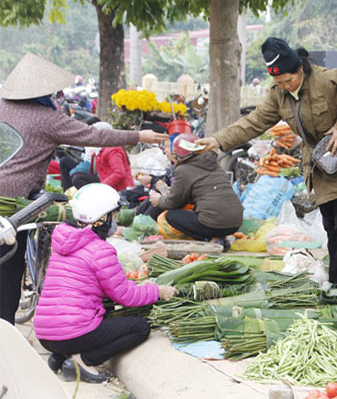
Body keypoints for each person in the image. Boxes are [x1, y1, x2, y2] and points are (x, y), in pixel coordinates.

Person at [0, 52, 167, 324]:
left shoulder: (1, 106)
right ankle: (4, 332)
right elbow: (96, 134)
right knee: (8, 268)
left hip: (9, 201)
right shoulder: (46, 118)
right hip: (16, 204)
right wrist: (138, 135)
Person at [197, 37, 337, 286]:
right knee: (331, 226)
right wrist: (218, 141)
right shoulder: (278, 95)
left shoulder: (327, 79)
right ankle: (336, 280)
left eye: (288, 80)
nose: (284, 85)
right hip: (319, 166)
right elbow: (253, 122)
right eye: (279, 82)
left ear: (300, 69)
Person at [33, 183, 178, 383]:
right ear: (102, 218)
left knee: (97, 318)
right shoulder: (100, 249)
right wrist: (157, 291)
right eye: (114, 215)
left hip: (45, 333)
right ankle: (83, 360)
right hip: (72, 333)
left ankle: (60, 356)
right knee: (140, 327)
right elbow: (125, 296)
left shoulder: (63, 243)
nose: (116, 221)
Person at [149, 133, 243, 241]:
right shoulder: (214, 165)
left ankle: (206, 239)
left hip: (212, 224)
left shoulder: (184, 169)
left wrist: (159, 199)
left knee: (171, 215)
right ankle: (219, 238)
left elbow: (174, 202)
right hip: (236, 223)